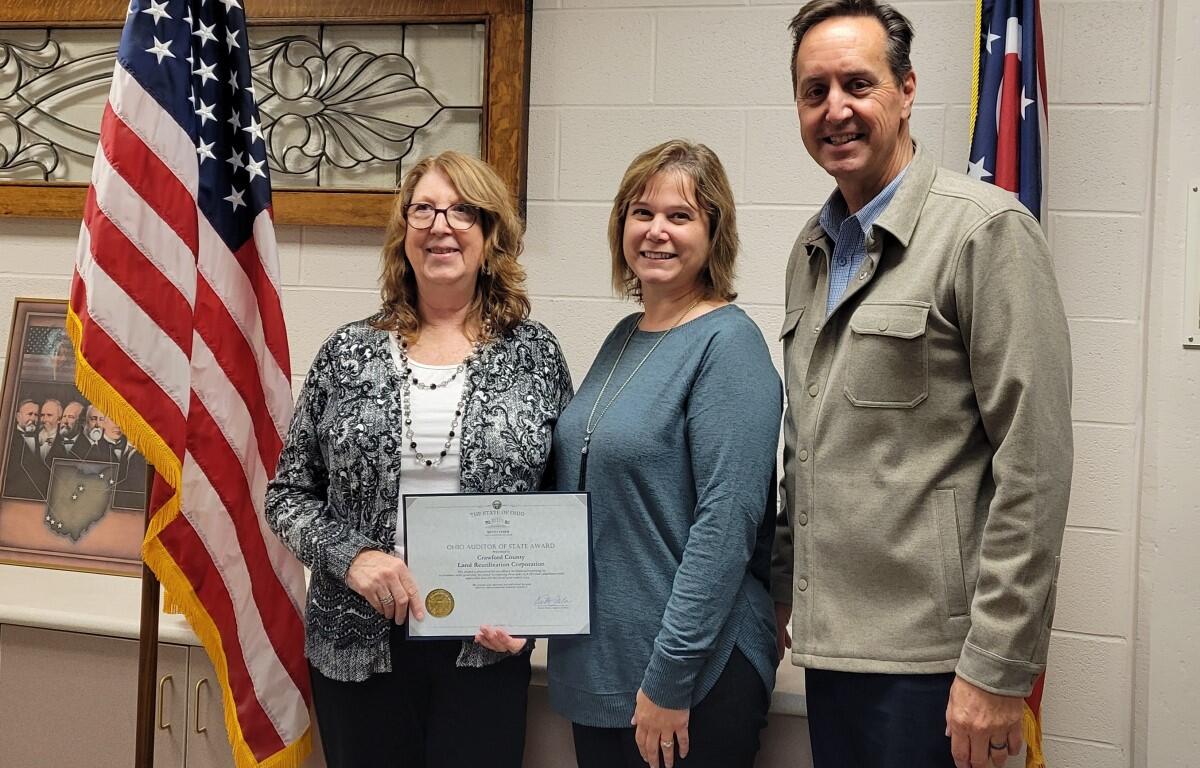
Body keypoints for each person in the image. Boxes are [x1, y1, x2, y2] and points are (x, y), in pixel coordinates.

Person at [771, 2, 1073, 768]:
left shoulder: (983, 231)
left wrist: (997, 666)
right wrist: (783, 588)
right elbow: (808, 446)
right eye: (814, 91)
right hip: (835, 649)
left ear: (906, 90)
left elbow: (1033, 466)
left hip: (939, 670)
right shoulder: (812, 249)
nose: (835, 109)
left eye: (857, 83)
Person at [265, 151, 572, 768]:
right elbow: (287, 495)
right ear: (403, 234)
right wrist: (352, 559)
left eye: (463, 211)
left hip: (483, 646)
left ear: (489, 237)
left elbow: (562, 501)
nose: (441, 226)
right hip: (356, 646)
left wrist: (533, 618)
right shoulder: (348, 352)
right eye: (424, 210)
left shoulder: (534, 356)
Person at [547, 140, 782, 768]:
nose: (656, 231)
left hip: (690, 676)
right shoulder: (623, 338)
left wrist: (670, 677)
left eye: (680, 216)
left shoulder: (729, 346)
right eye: (641, 212)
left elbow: (725, 527)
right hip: (603, 666)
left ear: (714, 232)